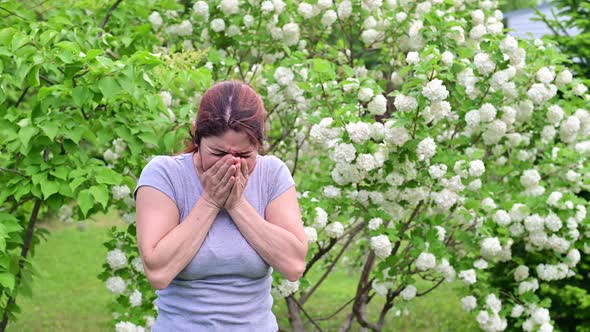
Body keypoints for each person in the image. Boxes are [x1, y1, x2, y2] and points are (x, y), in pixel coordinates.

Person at [133, 80, 308, 331]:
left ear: (259, 145)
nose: (231, 165)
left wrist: (237, 204)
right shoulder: (164, 175)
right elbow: (159, 272)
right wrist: (210, 200)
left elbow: (294, 265)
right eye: (217, 154)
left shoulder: (272, 173)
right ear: (197, 135)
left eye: (244, 156)